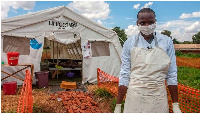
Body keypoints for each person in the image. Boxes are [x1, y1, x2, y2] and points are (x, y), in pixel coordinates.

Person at [114, 8, 182, 113]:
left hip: (158, 96)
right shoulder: (129, 43)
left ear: (155, 22)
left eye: (150, 22)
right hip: (135, 95)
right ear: (137, 23)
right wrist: (118, 105)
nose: (147, 26)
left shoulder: (166, 42)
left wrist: (175, 104)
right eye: (143, 22)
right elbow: (125, 73)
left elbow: (172, 73)